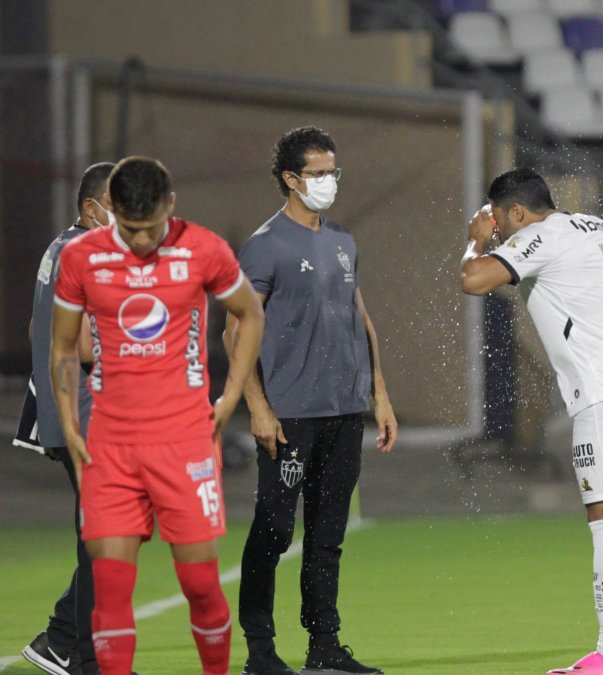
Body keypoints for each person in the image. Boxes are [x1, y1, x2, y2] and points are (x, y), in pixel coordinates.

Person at [460, 168, 603, 675]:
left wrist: (475, 244)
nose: (498, 229)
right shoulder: (598, 227)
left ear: (517, 212)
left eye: (499, 219)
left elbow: (474, 281)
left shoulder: (538, 235)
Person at [49, 156, 265, 675]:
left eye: (149, 230)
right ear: (112, 212)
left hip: (184, 441)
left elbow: (249, 312)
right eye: (129, 229)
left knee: (200, 585)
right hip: (112, 445)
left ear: (170, 204)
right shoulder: (82, 257)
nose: (141, 242)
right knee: (110, 588)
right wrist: (70, 424)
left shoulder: (203, 249)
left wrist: (232, 395)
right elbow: (62, 349)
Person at [229, 126, 397, 675]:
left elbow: (359, 317)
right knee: (274, 531)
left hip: (344, 411)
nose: (328, 182)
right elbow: (235, 332)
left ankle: (324, 647)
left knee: (327, 536)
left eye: (333, 172)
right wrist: (256, 405)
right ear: (290, 178)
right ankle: (260, 652)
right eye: (319, 173)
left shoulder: (343, 239)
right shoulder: (264, 245)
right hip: (290, 414)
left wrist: (380, 394)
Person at [16, 162, 114, 675]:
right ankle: (76, 651)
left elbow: (39, 324)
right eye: (119, 206)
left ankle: (65, 642)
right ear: (91, 207)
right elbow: (83, 344)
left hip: (65, 410)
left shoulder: (60, 248)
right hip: (89, 412)